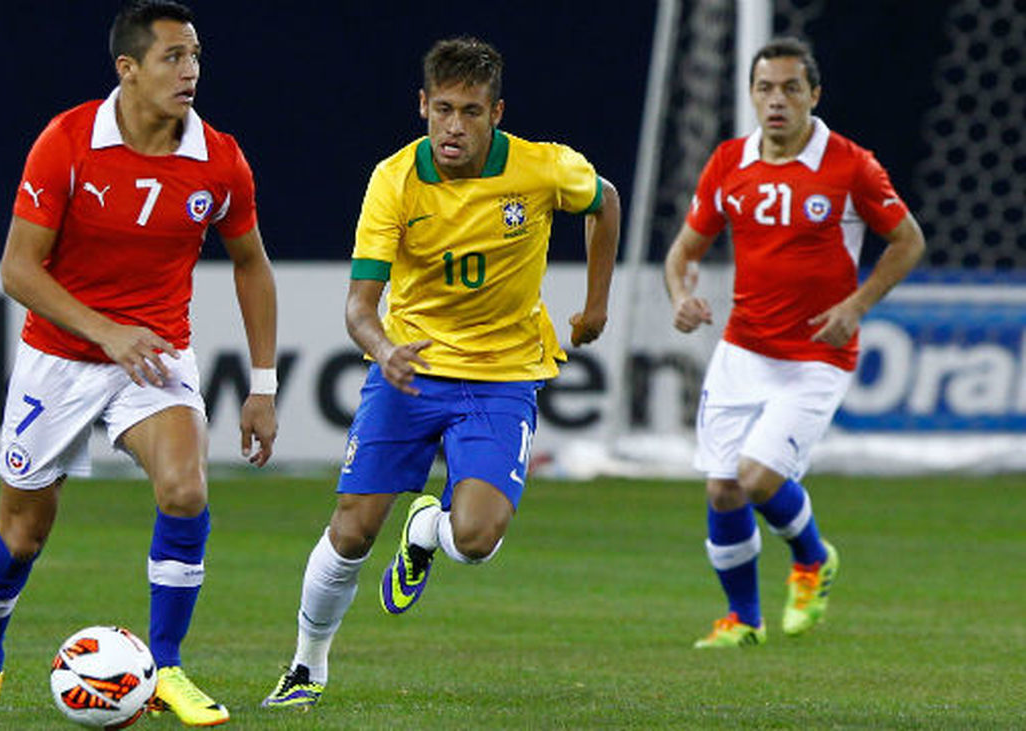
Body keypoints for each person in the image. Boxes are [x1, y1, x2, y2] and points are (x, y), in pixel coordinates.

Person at [262, 36, 619, 710]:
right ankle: (307, 665)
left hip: (503, 376)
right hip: (411, 372)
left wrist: (596, 301)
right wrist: (383, 345)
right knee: (352, 529)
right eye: (444, 109)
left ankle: (427, 528)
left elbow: (606, 201)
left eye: (473, 112)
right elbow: (359, 305)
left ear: (496, 113)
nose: (455, 126)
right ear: (423, 105)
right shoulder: (393, 180)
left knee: (478, 540)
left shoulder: (544, 169)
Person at [0, 2, 278, 725]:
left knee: (186, 490)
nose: (189, 70)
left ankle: (166, 667)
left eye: (195, 56)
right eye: (171, 57)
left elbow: (251, 265)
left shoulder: (219, 158)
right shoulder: (67, 142)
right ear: (127, 69)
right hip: (58, 358)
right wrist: (107, 332)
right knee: (20, 535)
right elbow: (18, 269)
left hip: (155, 356)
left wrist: (262, 385)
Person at [663, 37, 924, 648]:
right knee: (722, 486)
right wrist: (681, 296)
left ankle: (812, 558)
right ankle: (742, 619)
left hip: (816, 355)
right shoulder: (729, 161)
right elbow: (684, 252)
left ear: (814, 95)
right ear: (751, 95)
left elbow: (908, 240)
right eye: (764, 88)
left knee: (756, 478)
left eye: (789, 88)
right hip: (742, 349)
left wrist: (856, 306)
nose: (775, 101)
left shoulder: (850, 165)